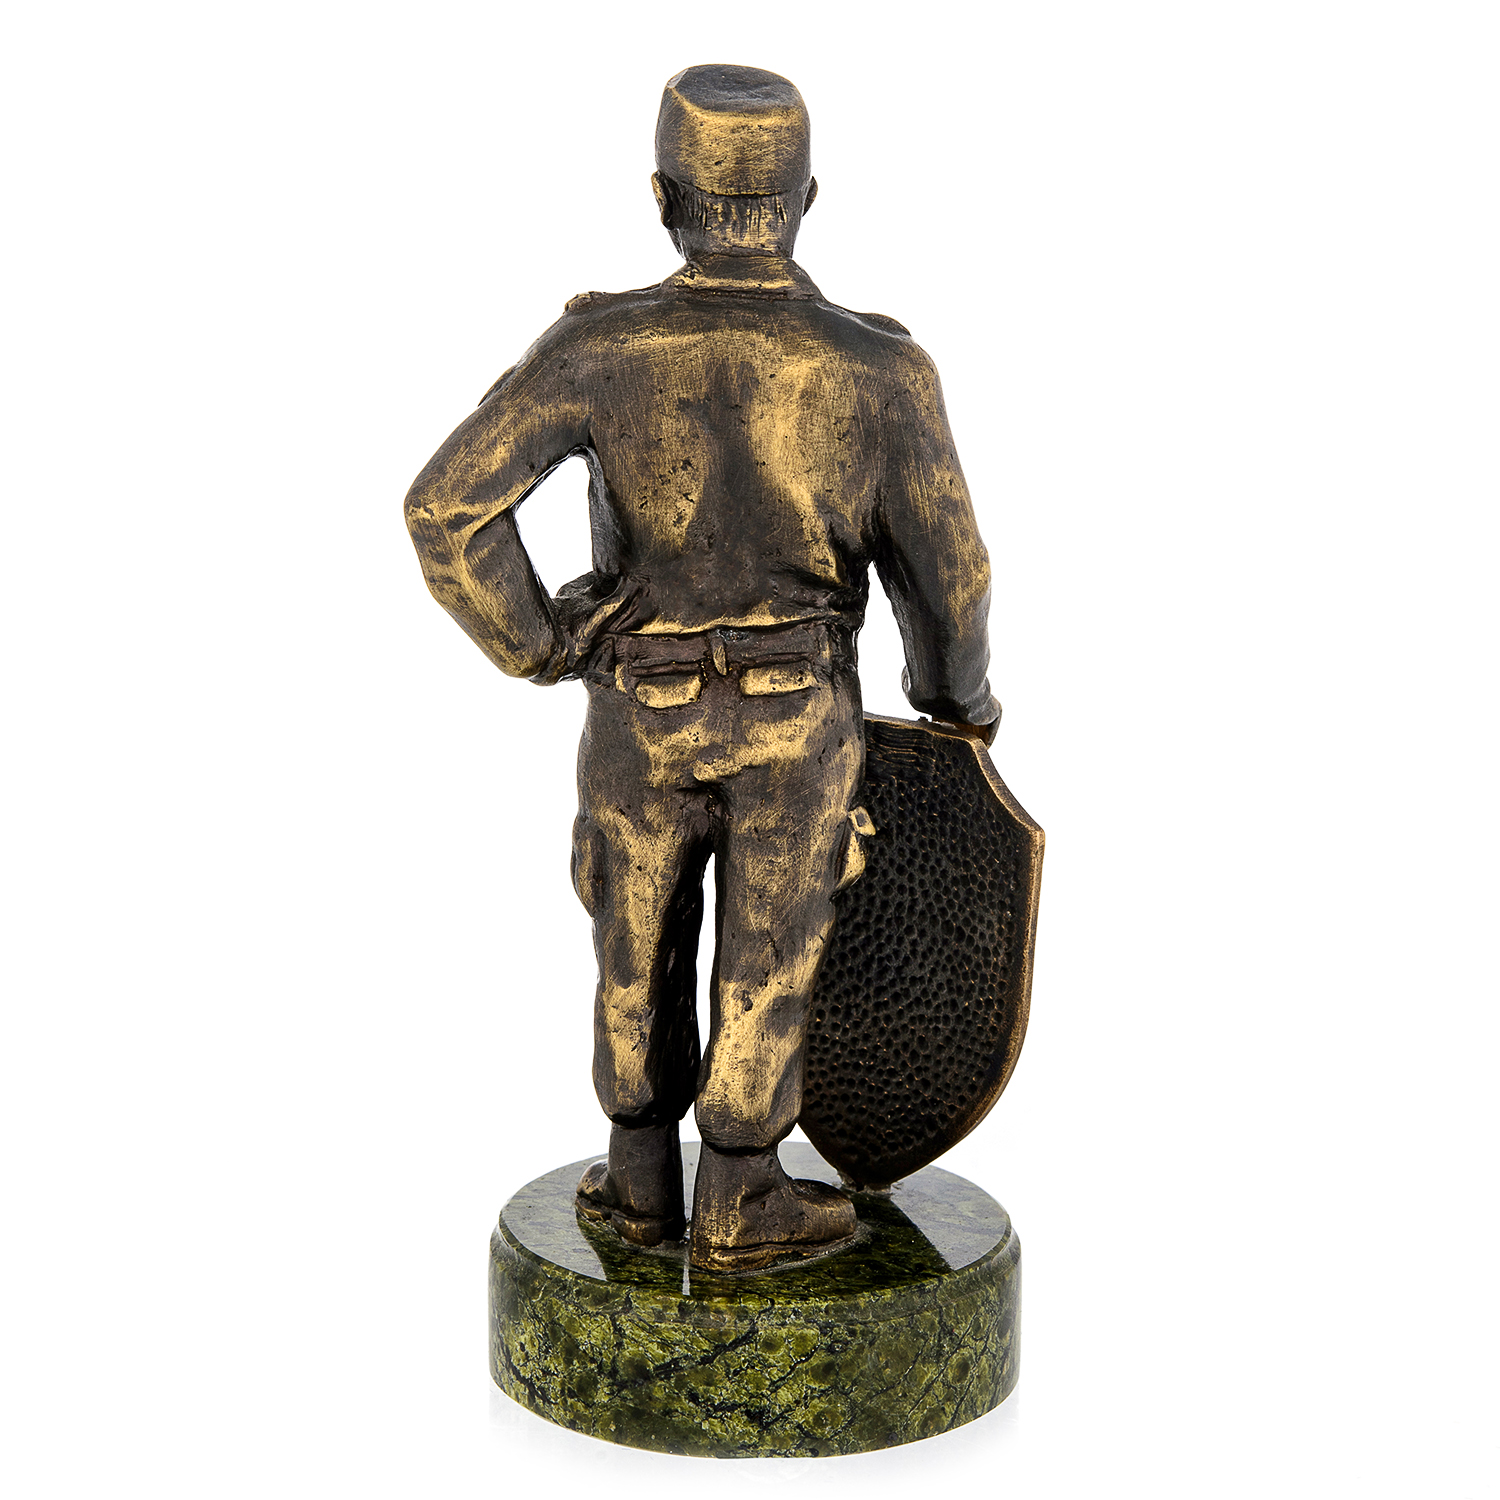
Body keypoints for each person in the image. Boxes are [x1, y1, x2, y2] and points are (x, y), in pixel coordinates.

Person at [405, 63, 999, 1271]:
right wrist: (955, 706)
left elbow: (445, 508)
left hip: (640, 711)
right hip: (795, 719)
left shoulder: (597, 347)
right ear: (807, 199)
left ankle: (638, 1177)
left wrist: (543, 643)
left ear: (663, 198)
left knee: (634, 936)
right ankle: (740, 1190)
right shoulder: (882, 371)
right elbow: (955, 578)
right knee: (771, 951)